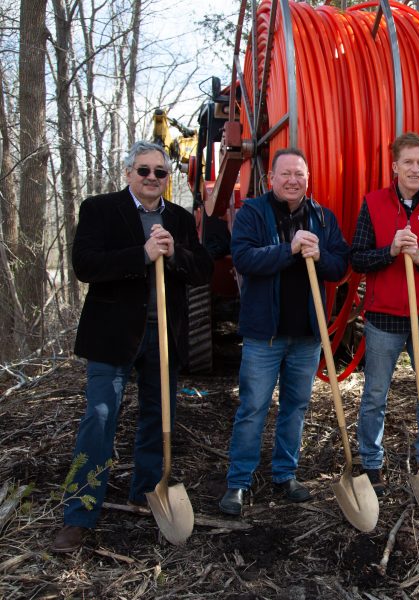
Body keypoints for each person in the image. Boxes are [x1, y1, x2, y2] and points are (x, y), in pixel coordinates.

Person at [52, 141, 214, 553]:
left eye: (160, 172)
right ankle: (80, 512)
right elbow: (85, 265)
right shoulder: (100, 209)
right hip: (113, 334)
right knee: (99, 419)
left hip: (164, 334)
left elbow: (202, 270)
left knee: (158, 418)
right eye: (143, 171)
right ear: (128, 173)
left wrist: (175, 253)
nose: (152, 179)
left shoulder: (177, 218)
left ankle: (146, 493)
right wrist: (140, 254)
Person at [218, 148, 349, 515]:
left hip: (307, 335)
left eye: (300, 175)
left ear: (308, 179)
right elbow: (244, 259)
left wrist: (321, 255)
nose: (293, 180)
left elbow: (340, 266)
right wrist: (288, 250)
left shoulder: (323, 217)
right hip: (265, 335)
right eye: (286, 174)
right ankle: (238, 483)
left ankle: (285, 474)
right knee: (253, 407)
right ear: (271, 179)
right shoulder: (253, 214)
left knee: (296, 407)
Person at [351, 132, 419, 496]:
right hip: (383, 319)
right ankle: (371, 462)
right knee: (375, 395)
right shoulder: (374, 204)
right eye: (408, 162)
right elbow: (358, 257)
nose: (415, 169)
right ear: (395, 166)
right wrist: (391, 250)